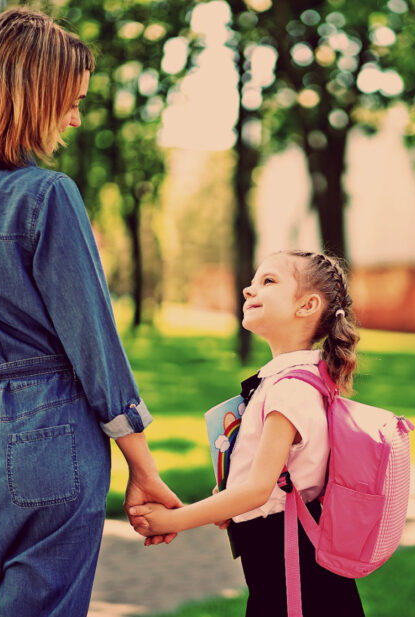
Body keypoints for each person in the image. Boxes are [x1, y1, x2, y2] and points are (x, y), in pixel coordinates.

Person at [0, 7, 180, 617]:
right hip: (55, 440)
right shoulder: (48, 195)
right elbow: (95, 345)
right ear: (30, 96)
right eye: (69, 101)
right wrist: (143, 470)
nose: (74, 117)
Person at [129, 250, 365, 617]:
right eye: (253, 281)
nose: (248, 289)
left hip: (293, 564)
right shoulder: (289, 380)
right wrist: (230, 504)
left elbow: (258, 490)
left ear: (307, 305)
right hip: (285, 555)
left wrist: (176, 519)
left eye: (268, 281)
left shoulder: (290, 389)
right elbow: (268, 480)